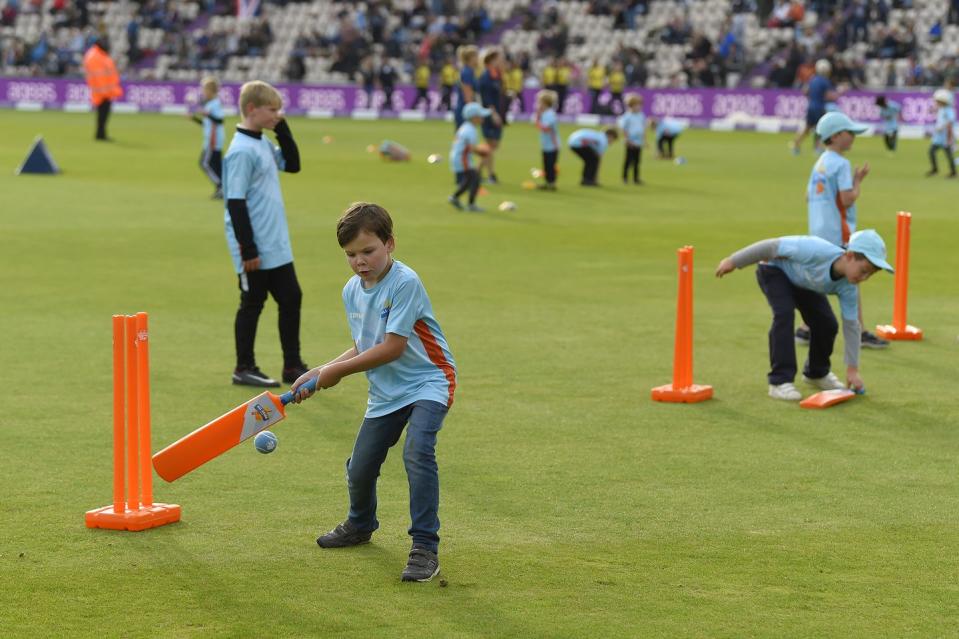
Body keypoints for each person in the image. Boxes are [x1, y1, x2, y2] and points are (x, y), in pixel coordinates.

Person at [291, 202, 456, 583]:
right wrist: (319, 371)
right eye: (350, 255)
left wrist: (335, 373)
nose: (359, 261)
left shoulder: (405, 282)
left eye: (368, 251)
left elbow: (392, 347)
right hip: (386, 391)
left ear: (390, 244)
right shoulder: (352, 289)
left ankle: (425, 548)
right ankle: (360, 524)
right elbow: (365, 345)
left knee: (417, 452)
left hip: (429, 380)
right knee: (360, 466)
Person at [715, 229, 893, 400]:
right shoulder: (815, 249)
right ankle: (779, 382)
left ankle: (816, 373)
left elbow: (852, 326)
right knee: (784, 314)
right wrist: (734, 261)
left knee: (827, 324)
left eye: (870, 274)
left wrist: (852, 370)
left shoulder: (849, 286)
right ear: (849, 256)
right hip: (774, 270)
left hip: (803, 283)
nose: (864, 278)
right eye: (863, 270)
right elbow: (770, 246)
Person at [221, 81, 308, 388]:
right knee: (253, 301)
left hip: (276, 242)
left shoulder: (261, 143)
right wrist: (247, 248)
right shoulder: (241, 151)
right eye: (272, 110)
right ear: (251, 110)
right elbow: (235, 201)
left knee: (291, 297)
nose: (277, 114)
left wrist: (282, 129)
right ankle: (244, 366)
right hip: (254, 244)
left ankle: (292, 365)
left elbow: (294, 165)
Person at [797, 111, 889, 350]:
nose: (853, 137)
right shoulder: (841, 163)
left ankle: (806, 328)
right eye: (850, 133)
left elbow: (808, 195)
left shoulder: (820, 161)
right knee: (853, 277)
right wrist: (858, 182)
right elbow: (847, 199)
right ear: (836, 136)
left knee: (819, 277)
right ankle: (859, 332)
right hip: (839, 229)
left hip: (818, 228)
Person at [448, 102, 490, 212]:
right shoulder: (470, 130)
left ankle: (455, 197)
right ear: (474, 118)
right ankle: (470, 204)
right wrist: (483, 151)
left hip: (460, 157)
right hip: (463, 159)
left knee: (469, 180)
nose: (483, 118)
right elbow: (471, 148)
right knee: (475, 179)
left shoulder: (466, 127)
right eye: (480, 116)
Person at [791, 59, 838, 155]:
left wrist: (812, 98)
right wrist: (839, 93)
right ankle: (817, 148)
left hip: (811, 106)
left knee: (807, 128)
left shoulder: (812, 79)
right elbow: (829, 96)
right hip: (819, 107)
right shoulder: (825, 81)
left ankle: (796, 144)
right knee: (819, 128)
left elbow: (805, 91)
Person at [190, 76, 225, 199]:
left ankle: (220, 186)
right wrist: (194, 119)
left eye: (204, 90)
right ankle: (222, 188)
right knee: (216, 165)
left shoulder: (215, 104)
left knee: (204, 163)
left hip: (213, 140)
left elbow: (220, 120)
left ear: (211, 91)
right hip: (211, 139)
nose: (203, 92)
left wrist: (207, 114)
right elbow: (207, 123)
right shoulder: (210, 104)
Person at [82, 37, 122, 141]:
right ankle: (100, 134)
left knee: (103, 114)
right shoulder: (95, 56)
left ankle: (101, 133)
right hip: (103, 92)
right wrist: (104, 90)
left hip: (104, 90)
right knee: (102, 114)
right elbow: (99, 76)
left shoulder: (98, 54)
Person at [477, 47, 505, 184]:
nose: (502, 61)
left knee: (493, 145)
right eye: (500, 58)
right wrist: (493, 114)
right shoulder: (486, 77)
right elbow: (486, 98)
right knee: (490, 144)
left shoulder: (497, 75)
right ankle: (490, 175)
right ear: (492, 60)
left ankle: (476, 172)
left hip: (497, 112)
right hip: (489, 114)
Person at [927, 88, 957, 178]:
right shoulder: (942, 109)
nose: (936, 102)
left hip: (945, 137)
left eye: (937, 101)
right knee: (931, 152)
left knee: (948, 155)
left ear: (942, 101)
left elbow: (949, 124)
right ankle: (935, 169)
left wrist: (949, 139)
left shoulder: (949, 110)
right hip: (938, 137)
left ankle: (953, 173)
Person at [534, 89, 559, 190]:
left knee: (550, 165)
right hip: (546, 144)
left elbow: (547, 129)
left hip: (552, 145)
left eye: (539, 102)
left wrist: (537, 121)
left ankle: (551, 184)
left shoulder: (549, 114)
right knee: (546, 164)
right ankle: (548, 183)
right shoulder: (545, 114)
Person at [618, 94, 646, 184]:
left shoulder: (641, 115)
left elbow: (642, 128)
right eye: (637, 105)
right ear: (631, 106)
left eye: (640, 105)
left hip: (638, 142)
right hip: (630, 141)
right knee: (628, 160)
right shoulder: (627, 116)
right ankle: (625, 178)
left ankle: (636, 178)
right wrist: (627, 139)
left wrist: (644, 140)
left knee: (637, 161)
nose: (639, 107)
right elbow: (624, 129)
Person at [453, 45, 479, 130]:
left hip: (464, 109)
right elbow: (467, 95)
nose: (478, 58)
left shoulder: (469, 71)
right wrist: (473, 113)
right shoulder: (467, 72)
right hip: (465, 111)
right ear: (471, 58)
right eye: (476, 56)